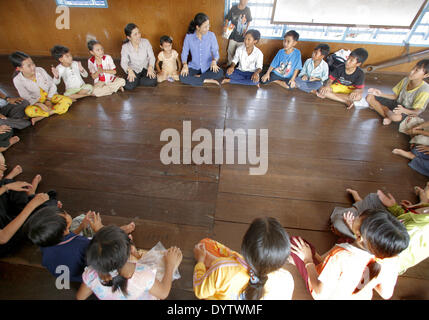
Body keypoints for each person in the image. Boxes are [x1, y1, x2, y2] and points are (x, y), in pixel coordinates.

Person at [291, 208, 409, 300]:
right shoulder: (391, 259)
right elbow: (386, 294)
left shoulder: (341, 256)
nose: (356, 216)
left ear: (360, 237)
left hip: (326, 294)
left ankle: (307, 260)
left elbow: (319, 292)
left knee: (296, 242)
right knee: (346, 240)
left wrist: (308, 260)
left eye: (359, 217)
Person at [333, 186, 429, 275]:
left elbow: (382, 250)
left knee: (339, 222)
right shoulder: (425, 209)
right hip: (385, 230)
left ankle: (358, 209)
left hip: (379, 251)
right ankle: (359, 210)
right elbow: (403, 218)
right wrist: (394, 207)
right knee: (374, 198)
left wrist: (355, 230)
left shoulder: (416, 231)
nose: (426, 187)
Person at [193, 217, 294, 300]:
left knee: (205, 244)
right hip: (227, 268)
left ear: (244, 246)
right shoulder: (286, 279)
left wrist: (200, 261)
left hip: (223, 276)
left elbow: (199, 291)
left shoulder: (222, 269)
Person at [25, 207, 135, 283]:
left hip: (68, 275)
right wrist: (99, 229)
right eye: (65, 214)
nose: (67, 214)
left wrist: (82, 226)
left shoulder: (45, 240)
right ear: (64, 230)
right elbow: (101, 249)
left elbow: (68, 238)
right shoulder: (82, 244)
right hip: (86, 275)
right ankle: (119, 232)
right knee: (108, 243)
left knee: (80, 219)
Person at [76, 225, 183, 300]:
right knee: (163, 265)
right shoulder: (143, 275)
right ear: (129, 252)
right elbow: (163, 293)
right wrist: (170, 265)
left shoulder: (90, 274)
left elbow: (80, 297)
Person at [10, 51, 73, 125]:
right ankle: (53, 110)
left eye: (33, 63)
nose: (33, 67)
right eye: (29, 66)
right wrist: (39, 104)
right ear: (19, 69)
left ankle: (42, 116)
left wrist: (48, 100)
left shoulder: (40, 70)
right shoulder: (17, 80)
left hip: (50, 96)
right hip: (36, 101)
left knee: (67, 100)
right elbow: (25, 97)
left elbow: (52, 85)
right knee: (29, 111)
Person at [366, 59, 429, 125]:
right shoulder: (406, 79)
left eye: (416, 70)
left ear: (426, 75)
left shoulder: (425, 90)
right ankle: (387, 115)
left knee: (395, 117)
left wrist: (403, 110)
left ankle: (384, 110)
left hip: (407, 111)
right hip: (397, 104)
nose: (411, 71)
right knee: (369, 97)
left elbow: (417, 112)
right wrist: (380, 94)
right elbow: (395, 96)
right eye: (413, 68)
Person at [180, 13, 224, 87]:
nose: (208, 28)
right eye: (205, 27)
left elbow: (216, 52)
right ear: (197, 27)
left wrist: (214, 61)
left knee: (220, 72)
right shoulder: (189, 37)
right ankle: (206, 79)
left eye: (208, 25)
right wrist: (184, 65)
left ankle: (198, 78)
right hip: (194, 66)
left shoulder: (211, 35)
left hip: (208, 66)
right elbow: (184, 52)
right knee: (182, 77)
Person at [120, 23, 157, 90]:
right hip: (134, 70)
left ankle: (136, 81)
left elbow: (151, 57)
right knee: (129, 86)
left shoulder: (146, 42)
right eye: (135, 34)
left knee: (153, 81)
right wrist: (129, 70)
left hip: (145, 68)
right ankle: (135, 81)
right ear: (129, 37)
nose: (138, 36)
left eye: (139, 33)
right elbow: (123, 62)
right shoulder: (125, 47)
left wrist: (151, 67)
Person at [224, 0, 252, 67]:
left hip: (242, 35)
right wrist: (225, 26)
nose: (245, 1)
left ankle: (238, 66)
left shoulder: (247, 10)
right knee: (230, 50)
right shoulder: (234, 8)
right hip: (232, 33)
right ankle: (229, 63)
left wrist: (246, 30)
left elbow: (249, 21)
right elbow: (227, 18)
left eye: (247, 0)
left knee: (240, 52)